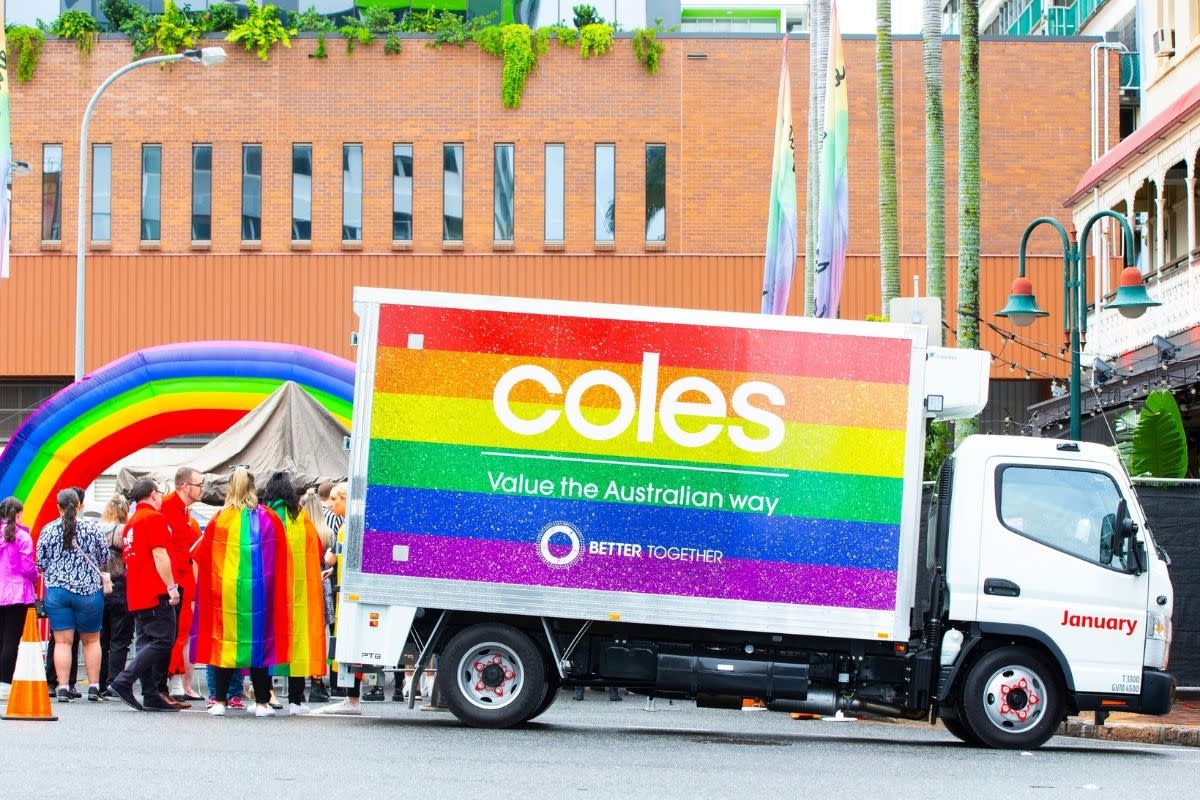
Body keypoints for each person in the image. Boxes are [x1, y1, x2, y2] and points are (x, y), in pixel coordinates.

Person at [191, 466, 290, 718]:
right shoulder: (269, 517)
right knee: (259, 646)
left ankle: (220, 702)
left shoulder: (219, 519)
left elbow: (204, 558)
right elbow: (281, 558)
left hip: (225, 593)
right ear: (253, 487)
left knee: (225, 644)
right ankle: (261, 704)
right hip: (260, 592)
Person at [107, 480, 182, 712]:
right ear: (152, 494)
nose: (161, 496)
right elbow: (159, 554)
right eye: (159, 492)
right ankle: (124, 680)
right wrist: (172, 586)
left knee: (146, 642)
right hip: (154, 590)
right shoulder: (153, 519)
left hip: (137, 591)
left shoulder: (131, 524)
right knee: (162, 640)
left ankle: (150, 694)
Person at [261, 472, 327, 715]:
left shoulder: (264, 515)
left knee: (267, 641)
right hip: (298, 592)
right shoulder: (301, 518)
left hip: (269, 591)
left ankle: (263, 696)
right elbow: (316, 552)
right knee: (298, 641)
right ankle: (297, 700)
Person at [35, 488, 108, 703]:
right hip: (89, 593)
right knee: (92, 641)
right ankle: (94, 687)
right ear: (80, 506)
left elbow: (41, 562)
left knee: (63, 642)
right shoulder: (93, 530)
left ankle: (64, 688)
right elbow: (103, 557)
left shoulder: (48, 530)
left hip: (58, 593)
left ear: (58, 507)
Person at [313, 482, 364, 716]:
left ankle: (352, 699)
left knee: (348, 643)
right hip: (347, 591)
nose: (331, 504)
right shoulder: (351, 524)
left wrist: (330, 563)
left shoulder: (347, 527)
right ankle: (351, 698)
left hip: (348, 595)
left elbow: (331, 556)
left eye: (336, 499)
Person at [161, 466, 204, 701]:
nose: (202, 489)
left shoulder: (185, 513)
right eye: (199, 485)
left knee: (182, 632)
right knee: (175, 633)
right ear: (185, 486)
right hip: (174, 582)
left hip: (183, 581)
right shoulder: (168, 508)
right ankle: (172, 678)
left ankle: (177, 680)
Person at [0, 497, 37, 702]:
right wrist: (36, 576)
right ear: (18, 514)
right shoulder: (22, 536)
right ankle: (5, 684)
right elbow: (27, 567)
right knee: (11, 640)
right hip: (17, 594)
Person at [97, 495, 133, 698]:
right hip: (120, 585)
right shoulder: (125, 531)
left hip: (100, 585)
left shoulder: (96, 530)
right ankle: (114, 682)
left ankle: (99, 682)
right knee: (120, 639)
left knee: (101, 638)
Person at [302, 489, 335, 703]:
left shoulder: (304, 531)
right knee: (321, 635)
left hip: (306, 584)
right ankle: (319, 680)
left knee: (305, 634)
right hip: (324, 585)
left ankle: (306, 676)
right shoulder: (326, 532)